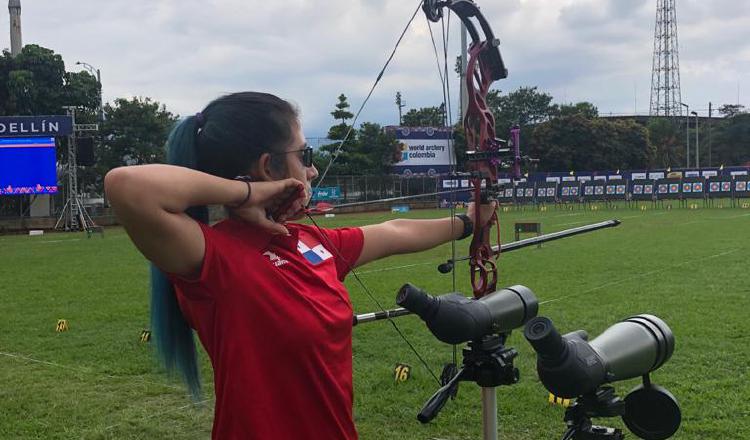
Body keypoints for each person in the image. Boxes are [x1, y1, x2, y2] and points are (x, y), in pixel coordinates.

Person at [105, 91, 496, 439]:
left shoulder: (309, 241)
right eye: (303, 156)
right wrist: (249, 194)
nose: (312, 170)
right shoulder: (213, 255)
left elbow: (393, 231)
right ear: (268, 167)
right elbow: (127, 186)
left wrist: (467, 223)